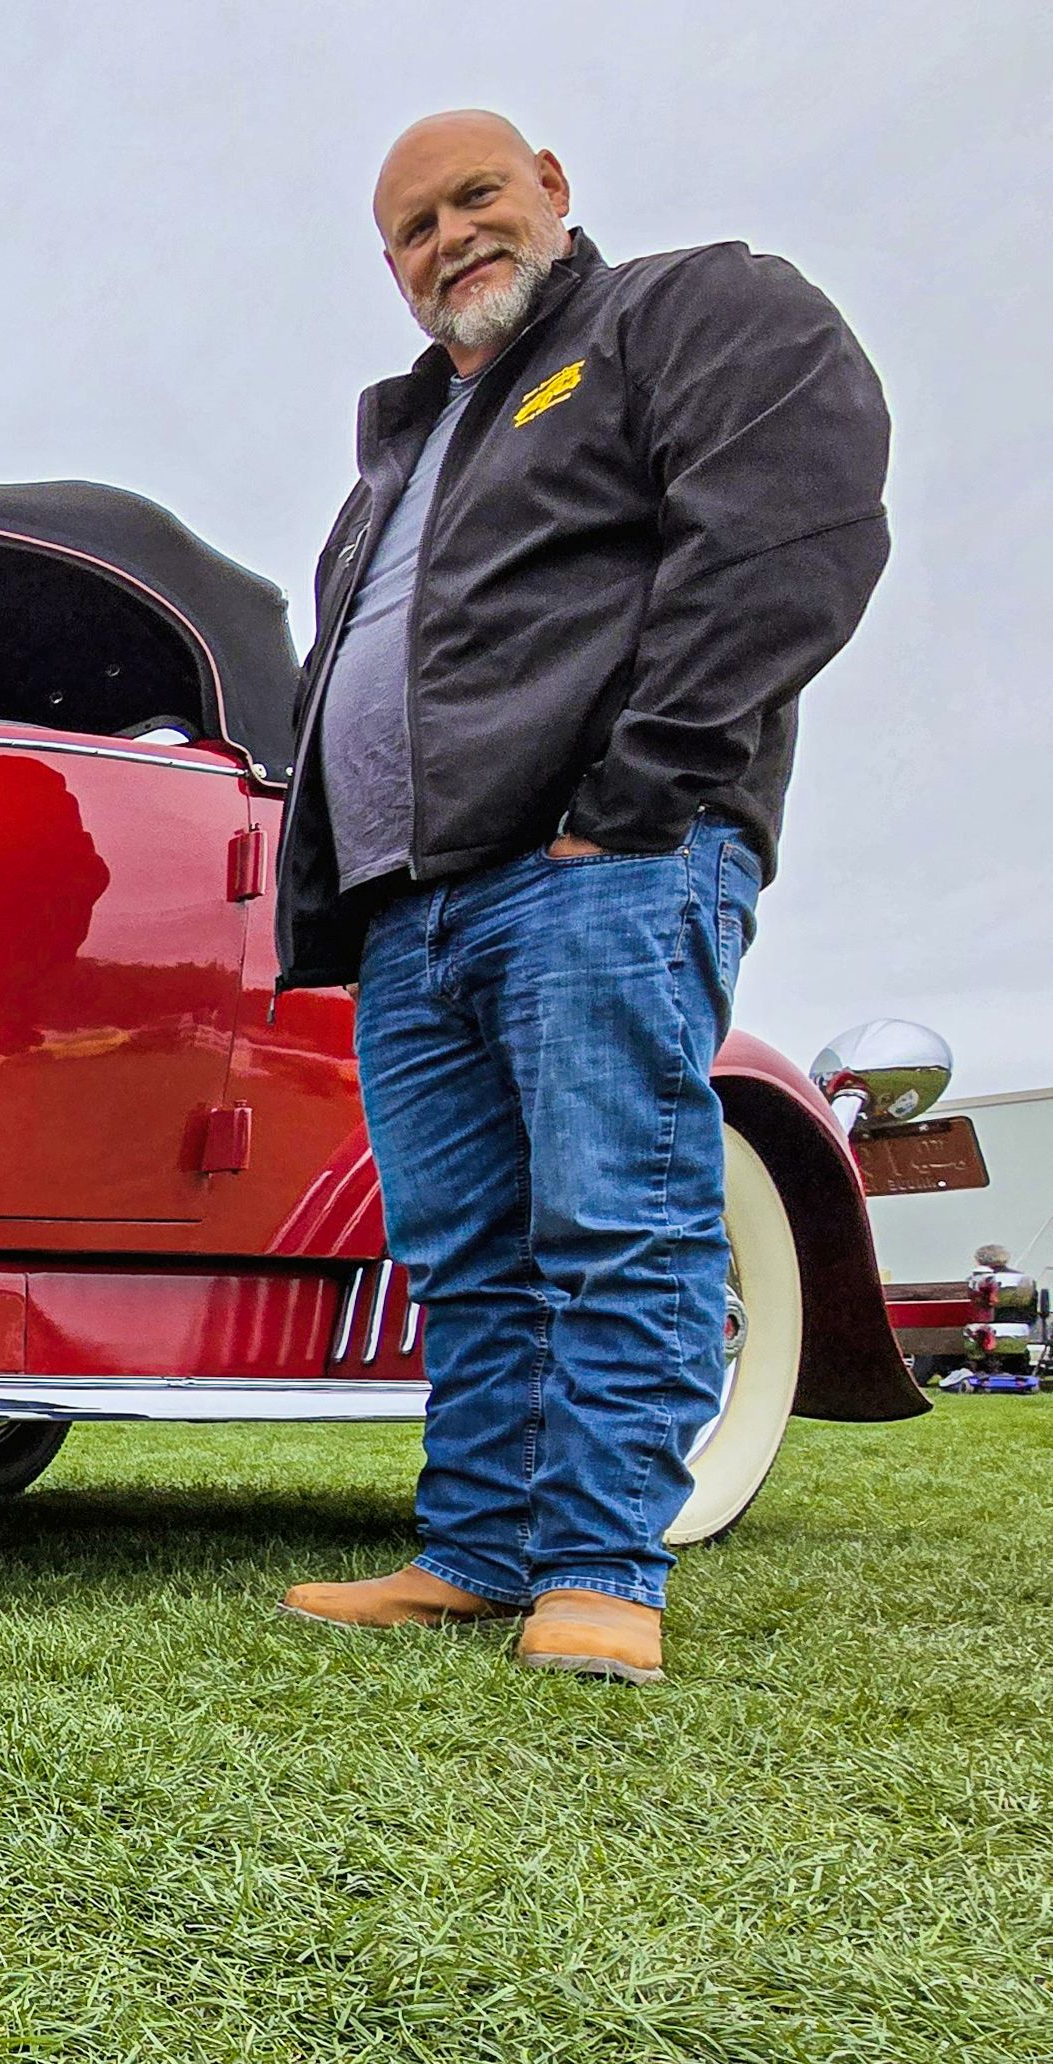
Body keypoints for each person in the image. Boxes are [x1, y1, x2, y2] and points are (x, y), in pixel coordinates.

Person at [277, 110, 890, 1684]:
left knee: (614, 1214)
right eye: (411, 231)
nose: (447, 241)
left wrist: (632, 799)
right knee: (463, 1249)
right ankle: (478, 1550)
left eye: (472, 197)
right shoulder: (403, 449)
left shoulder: (680, 309)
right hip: (411, 906)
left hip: (593, 864)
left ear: (549, 187)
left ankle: (604, 1566)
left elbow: (789, 531)